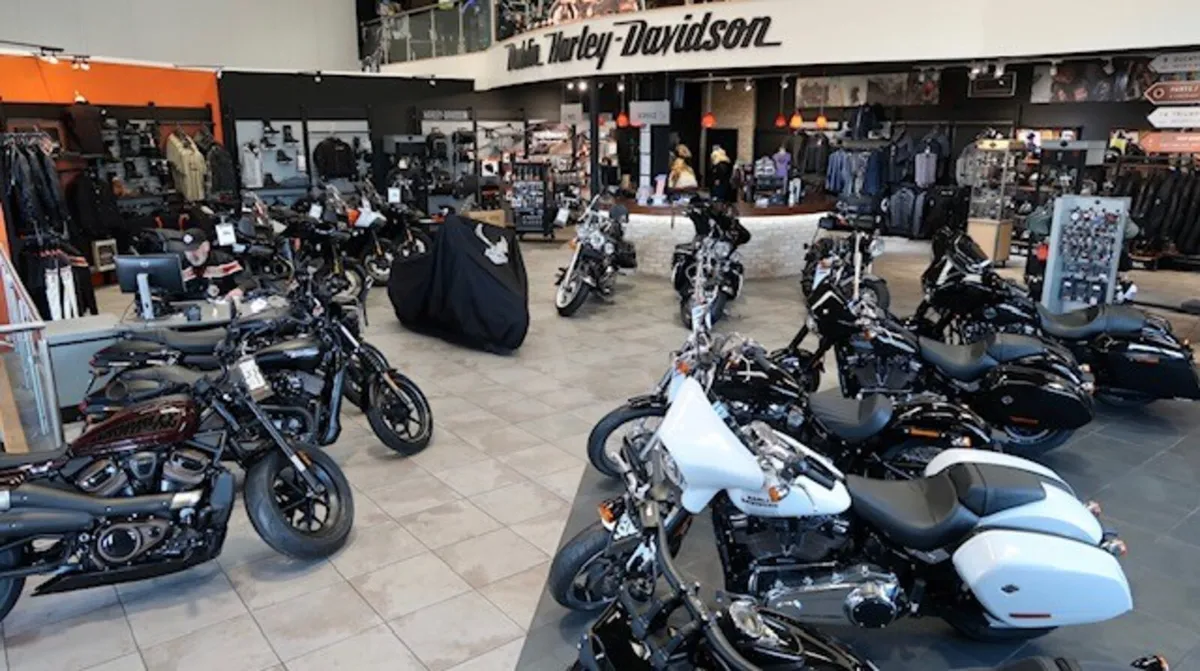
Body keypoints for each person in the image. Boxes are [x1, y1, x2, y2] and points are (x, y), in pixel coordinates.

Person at [181, 228, 252, 300]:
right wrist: (205, 294)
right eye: (187, 250)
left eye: (195, 249)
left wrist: (240, 289)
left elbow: (250, 281)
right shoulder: (181, 266)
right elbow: (179, 295)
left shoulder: (224, 261)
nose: (191, 255)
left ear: (206, 246)